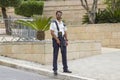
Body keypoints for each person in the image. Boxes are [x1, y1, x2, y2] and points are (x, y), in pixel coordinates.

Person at [50, 11, 72, 75]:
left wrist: (66, 40)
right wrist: (57, 40)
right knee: (55, 55)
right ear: (56, 15)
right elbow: (52, 32)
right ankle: (55, 70)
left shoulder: (63, 24)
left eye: (60, 15)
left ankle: (65, 69)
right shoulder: (53, 23)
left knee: (64, 54)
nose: (59, 16)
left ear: (61, 15)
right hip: (55, 39)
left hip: (62, 39)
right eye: (58, 15)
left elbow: (65, 32)